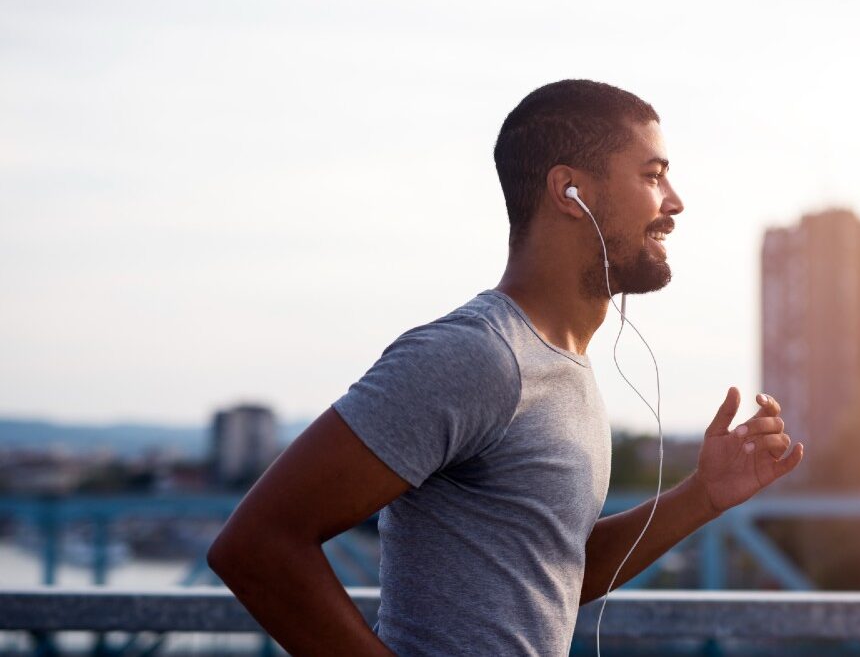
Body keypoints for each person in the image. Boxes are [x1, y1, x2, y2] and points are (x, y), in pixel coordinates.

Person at [207, 79, 803, 656]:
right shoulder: (475, 355)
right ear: (572, 191)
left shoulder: (564, 368)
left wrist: (702, 496)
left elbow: (561, 570)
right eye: (652, 175)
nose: (674, 202)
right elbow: (255, 545)